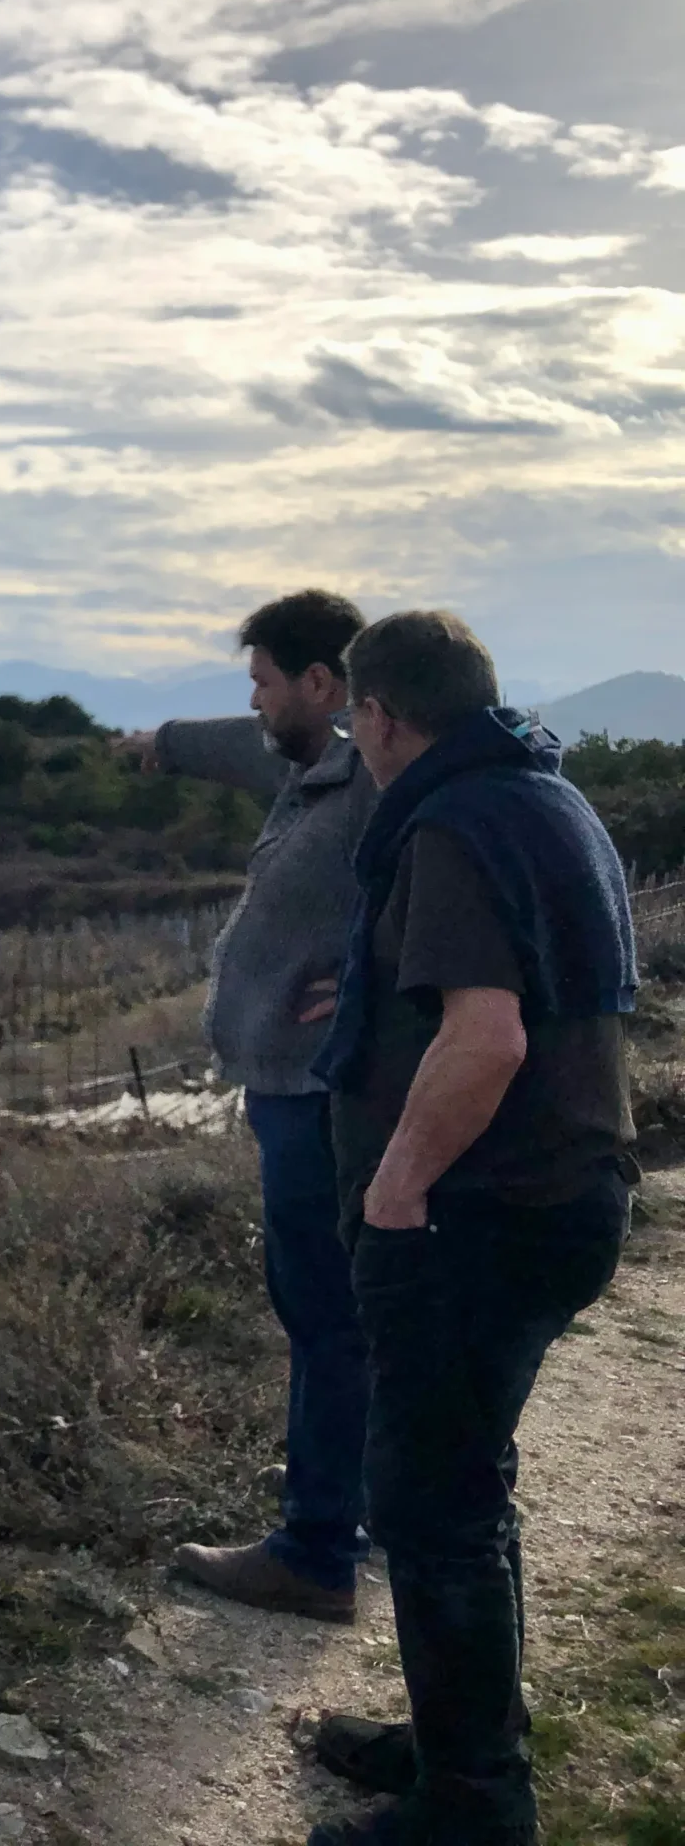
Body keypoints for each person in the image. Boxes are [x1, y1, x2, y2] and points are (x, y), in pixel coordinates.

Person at [305, 610, 637, 1846]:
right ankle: (459, 1749)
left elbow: (486, 1036)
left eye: (356, 721)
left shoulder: (448, 823)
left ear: (383, 715)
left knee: (431, 1505)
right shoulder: (542, 793)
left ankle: (473, 1809)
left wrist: (393, 1191)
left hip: (476, 1219)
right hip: (556, 1201)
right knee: (464, 1488)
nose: (357, 740)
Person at [119, 590, 380, 1622]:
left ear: (323, 685)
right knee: (347, 1318)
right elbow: (242, 746)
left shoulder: (374, 781)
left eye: (266, 682)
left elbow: (454, 887)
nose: (257, 703)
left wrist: (374, 977)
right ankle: (375, 1518)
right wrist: (161, 744)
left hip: (322, 1094)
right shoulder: (314, 760)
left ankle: (317, 1552)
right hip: (293, 1088)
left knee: (327, 1322)